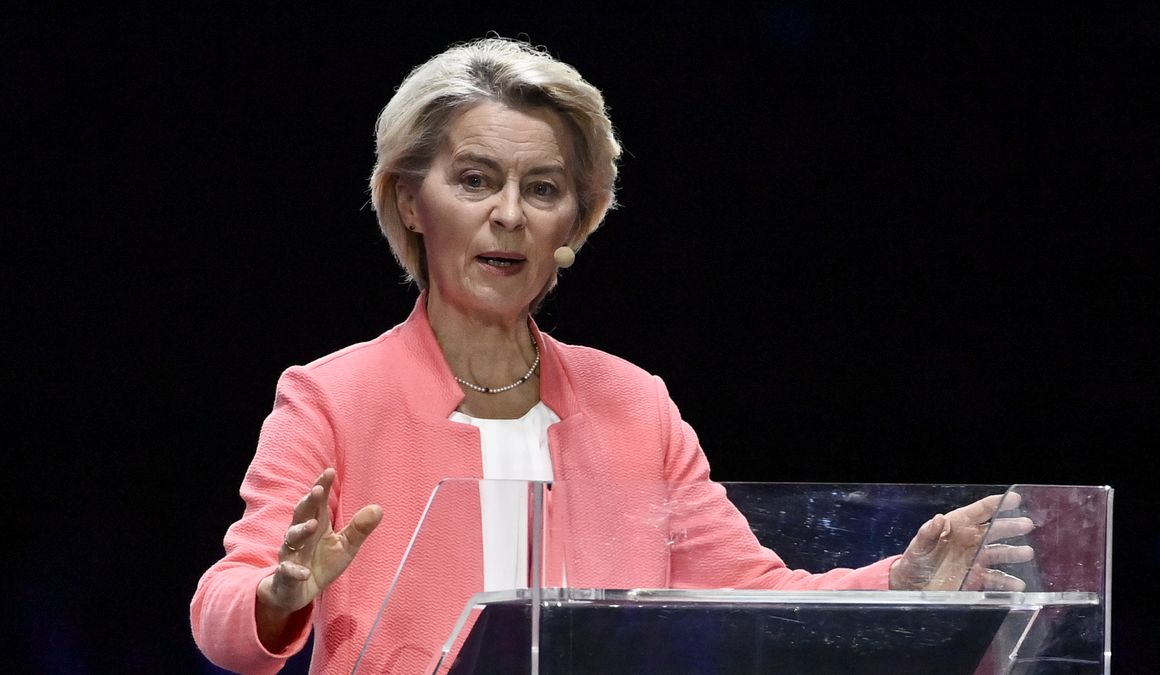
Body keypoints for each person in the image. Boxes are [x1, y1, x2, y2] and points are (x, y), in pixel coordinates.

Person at [190, 37, 1033, 674]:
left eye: (543, 189)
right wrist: (278, 596)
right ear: (411, 200)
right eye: (476, 180)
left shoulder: (635, 403)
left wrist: (900, 581)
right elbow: (224, 610)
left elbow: (745, 596)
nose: (510, 214)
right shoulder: (332, 397)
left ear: (577, 221)